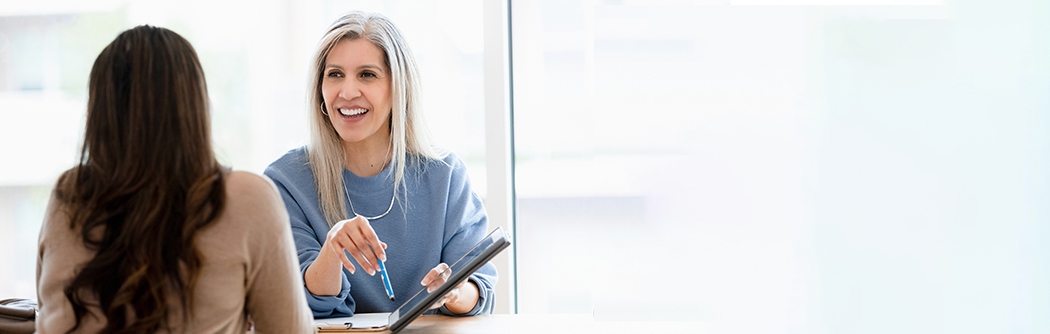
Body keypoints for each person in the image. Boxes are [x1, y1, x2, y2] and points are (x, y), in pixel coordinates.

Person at [35, 25, 313, 333]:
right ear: (195, 107)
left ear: (100, 113)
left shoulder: (70, 195)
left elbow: (46, 312)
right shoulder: (246, 197)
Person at [264, 11, 497, 318]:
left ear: (398, 88)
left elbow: (480, 292)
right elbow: (303, 303)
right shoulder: (285, 181)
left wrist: (453, 290)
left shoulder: (446, 177)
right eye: (334, 75)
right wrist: (332, 250)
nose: (347, 93)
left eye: (367, 75)